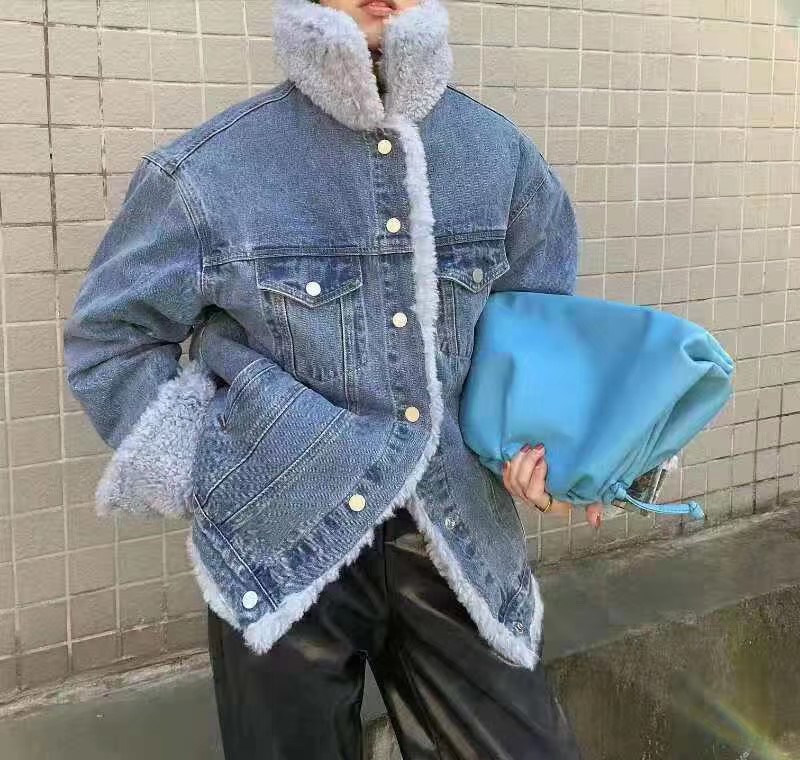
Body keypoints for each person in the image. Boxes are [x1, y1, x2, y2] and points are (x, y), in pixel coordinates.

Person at [62, 0, 600, 756]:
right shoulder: (212, 170)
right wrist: (213, 469)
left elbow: (540, 330)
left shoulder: (499, 157)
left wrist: (548, 448)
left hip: (457, 533)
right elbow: (110, 337)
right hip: (279, 540)